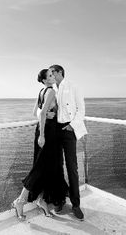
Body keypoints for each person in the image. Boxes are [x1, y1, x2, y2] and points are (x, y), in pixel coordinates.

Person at [11, 69, 68, 220]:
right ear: (44, 80)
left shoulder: (41, 91)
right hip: (47, 133)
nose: (52, 77)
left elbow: (35, 112)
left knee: (46, 168)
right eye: (49, 76)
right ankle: (20, 201)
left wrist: (45, 115)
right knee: (40, 167)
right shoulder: (50, 91)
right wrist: (42, 134)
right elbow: (41, 113)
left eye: (52, 74)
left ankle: (41, 199)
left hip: (44, 131)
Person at [49, 64, 87, 221]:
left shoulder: (73, 86)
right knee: (57, 166)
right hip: (54, 130)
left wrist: (72, 125)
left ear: (59, 72)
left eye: (52, 73)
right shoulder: (51, 88)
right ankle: (59, 199)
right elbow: (40, 107)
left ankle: (76, 204)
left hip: (68, 130)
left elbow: (82, 109)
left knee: (72, 167)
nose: (50, 76)